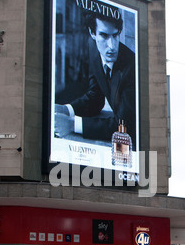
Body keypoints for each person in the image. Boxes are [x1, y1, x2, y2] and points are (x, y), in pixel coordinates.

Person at [54, 10, 136, 148]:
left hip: (139, 146)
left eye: (115, 35)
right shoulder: (94, 50)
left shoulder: (131, 66)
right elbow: (95, 98)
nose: (111, 45)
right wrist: (67, 110)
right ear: (92, 34)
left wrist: (72, 124)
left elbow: (124, 125)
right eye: (103, 35)